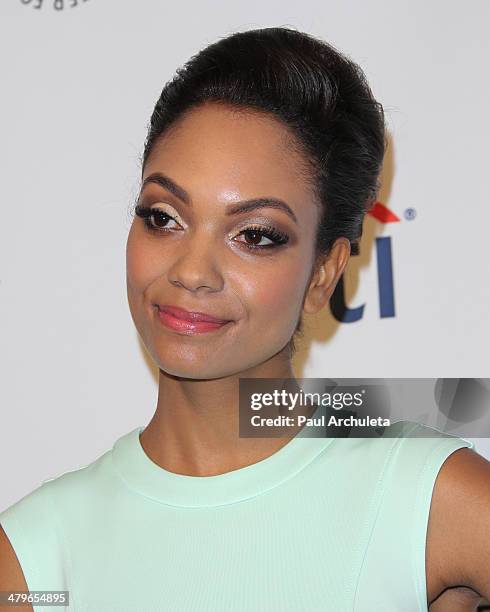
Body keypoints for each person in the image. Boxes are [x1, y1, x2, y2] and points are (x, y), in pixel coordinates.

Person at [1, 26, 489, 612]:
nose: (193, 271)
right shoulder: (35, 559)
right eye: (163, 217)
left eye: (255, 235)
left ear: (322, 275)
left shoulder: (429, 500)